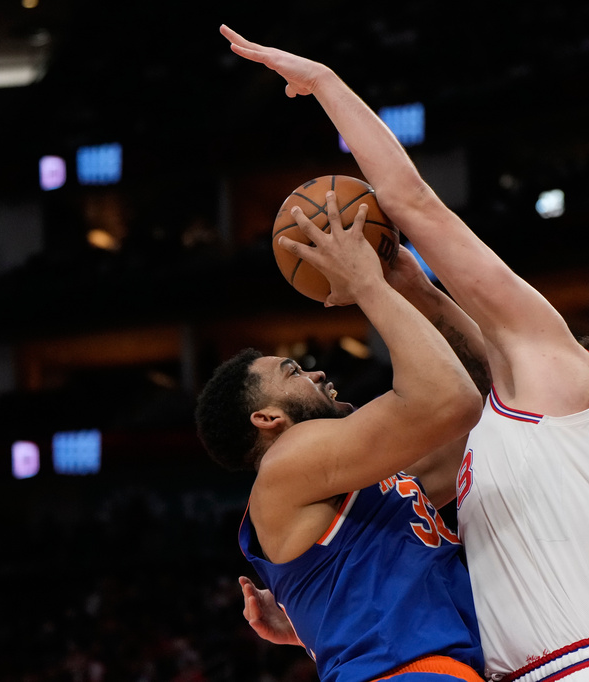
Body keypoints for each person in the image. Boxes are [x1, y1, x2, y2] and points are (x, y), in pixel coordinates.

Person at [221, 24, 589, 682]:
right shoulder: (581, 453)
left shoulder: (561, 368)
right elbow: (488, 375)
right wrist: (420, 292)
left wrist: (324, 82)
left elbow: (415, 204)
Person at [194, 191, 487, 682]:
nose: (318, 372)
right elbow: (450, 401)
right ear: (267, 419)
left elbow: (478, 401)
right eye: (294, 371)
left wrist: (423, 295)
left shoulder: (370, 482)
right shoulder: (286, 464)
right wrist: (366, 284)